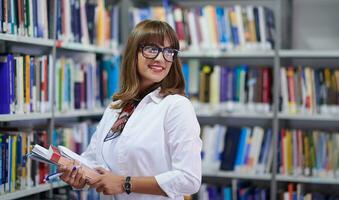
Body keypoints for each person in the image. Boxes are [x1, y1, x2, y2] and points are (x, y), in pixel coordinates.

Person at [58, 19, 202, 200]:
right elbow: (93, 160)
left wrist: (123, 183)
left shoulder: (176, 107)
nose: (160, 58)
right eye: (151, 49)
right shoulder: (116, 107)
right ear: (134, 54)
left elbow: (189, 179)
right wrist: (79, 175)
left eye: (169, 51)